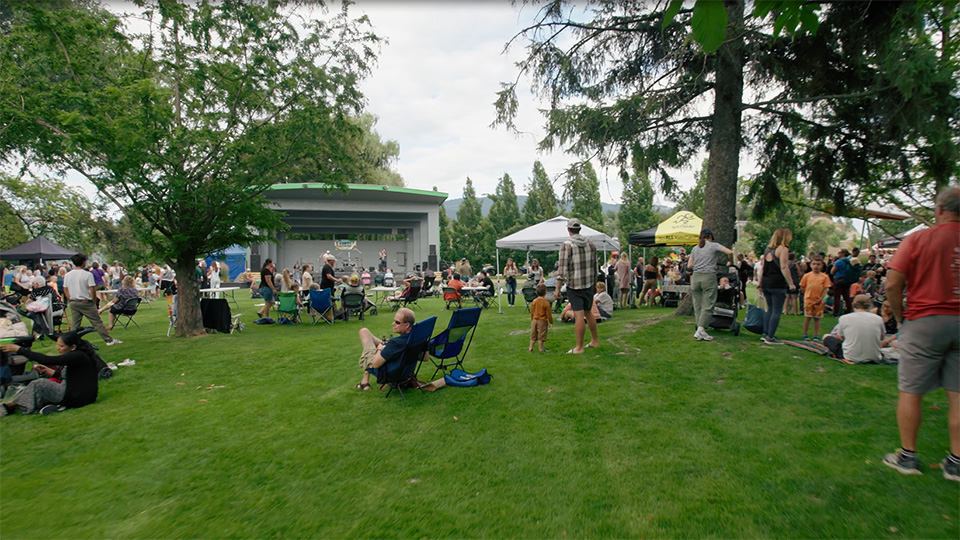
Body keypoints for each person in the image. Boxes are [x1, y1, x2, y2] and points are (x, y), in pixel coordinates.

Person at [882, 186, 960, 481]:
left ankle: (907, 456)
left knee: (912, 391)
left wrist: (901, 319)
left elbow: (892, 284)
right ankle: (956, 463)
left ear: (940, 209)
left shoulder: (919, 239)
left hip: (924, 320)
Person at [0, 330, 100, 416]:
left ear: (72, 347)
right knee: (39, 386)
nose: (58, 348)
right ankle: (17, 405)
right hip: (83, 396)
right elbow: (71, 377)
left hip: (76, 397)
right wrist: (47, 371)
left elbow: (46, 359)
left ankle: (11, 406)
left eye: (61, 346)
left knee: (38, 384)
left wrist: (18, 350)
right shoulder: (79, 356)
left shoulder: (77, 356)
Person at [555, 218, 599, 354]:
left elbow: (562, 270)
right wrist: (595, 282)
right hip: (589, 284)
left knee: (579, 316)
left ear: (569, 230)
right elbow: (595, 266)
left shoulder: (566, 245)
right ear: (580, 229)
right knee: (589, 313)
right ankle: (594, 341)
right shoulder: (591, 243)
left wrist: (557, 288)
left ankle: (579, 348)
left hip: (574, 285)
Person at [63, 253, 121, 346]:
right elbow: (92, 289)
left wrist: (70, 299)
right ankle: (108, 340)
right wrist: (93, 301)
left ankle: (70, 342)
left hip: (74, 302)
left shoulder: (68, 275)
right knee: (97, 322)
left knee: (75, 324)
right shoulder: (87, 274)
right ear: (83, 262)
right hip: (86, 301)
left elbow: (65, 289)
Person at [687, 228, 734, 342]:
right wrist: (730, 262)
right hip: (708, 276)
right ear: (710, 237)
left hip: (696, 277)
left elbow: (690, 265)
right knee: (708, 304)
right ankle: (701, 330)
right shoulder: (713, 245)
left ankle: (699, 328)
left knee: (698, 305)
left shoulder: (695, 248)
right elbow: (730, 252)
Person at [354, 307, 416, 391]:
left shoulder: (395, 343)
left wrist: (379, 349)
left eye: (397, 322)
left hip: (387, 372)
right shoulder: (416, 338)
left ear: (407, 325)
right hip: (404, 371)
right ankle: (364, 380)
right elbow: (425, 357)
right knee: (371, 337)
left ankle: (365, 380)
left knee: (364, 332)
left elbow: (375, 364)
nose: (393, 324)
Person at [757, 228, 796, 345]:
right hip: (777, 283)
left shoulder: (768, 250)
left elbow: (763, 267)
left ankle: (766, 333)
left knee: (770, 309)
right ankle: (771, 336)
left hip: (766, 282)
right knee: (777, 310)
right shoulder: (783, 249)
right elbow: (784, 267)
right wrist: (791, 283)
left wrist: (760, 282)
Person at [821, 295, 884, 363]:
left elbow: (840, 337)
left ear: (853, 304)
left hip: (850, 356)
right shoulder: (879, 319)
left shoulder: (844, 318)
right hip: (874, 356)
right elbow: (881, 337)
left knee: (826, 337)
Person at [799, 256, 831, 342]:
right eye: (814, 264)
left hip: (819, 300)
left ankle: (816, 335)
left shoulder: (824, 277)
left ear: (822, 265)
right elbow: (803, 286)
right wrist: (807, 294)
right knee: (807, 317)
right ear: (810, 265)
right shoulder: (806, 276)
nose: (816, 266)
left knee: (817, 318)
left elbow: (825, 288)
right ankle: (805, 334)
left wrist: (821, 298)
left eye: (818, 264)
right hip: (808, 300)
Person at [528, 283, 553, 352]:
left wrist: (532, 319)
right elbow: (548, 314)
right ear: (545, 292)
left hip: (534, 320)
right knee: (541, 335)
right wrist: (551, 322)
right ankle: (541, 348)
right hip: (542, 321)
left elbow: (532, 311)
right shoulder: (546, 303)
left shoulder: (534, 301)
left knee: (533, 334)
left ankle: (530, 348)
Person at [830, 248, 853, 316]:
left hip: (838, 279)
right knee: (846, 296)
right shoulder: (849, 261)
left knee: (837, 296)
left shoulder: (839, 261)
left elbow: (832, 271)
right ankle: (849, 309)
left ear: (842, 253)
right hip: (847, 279)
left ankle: (836, 312)